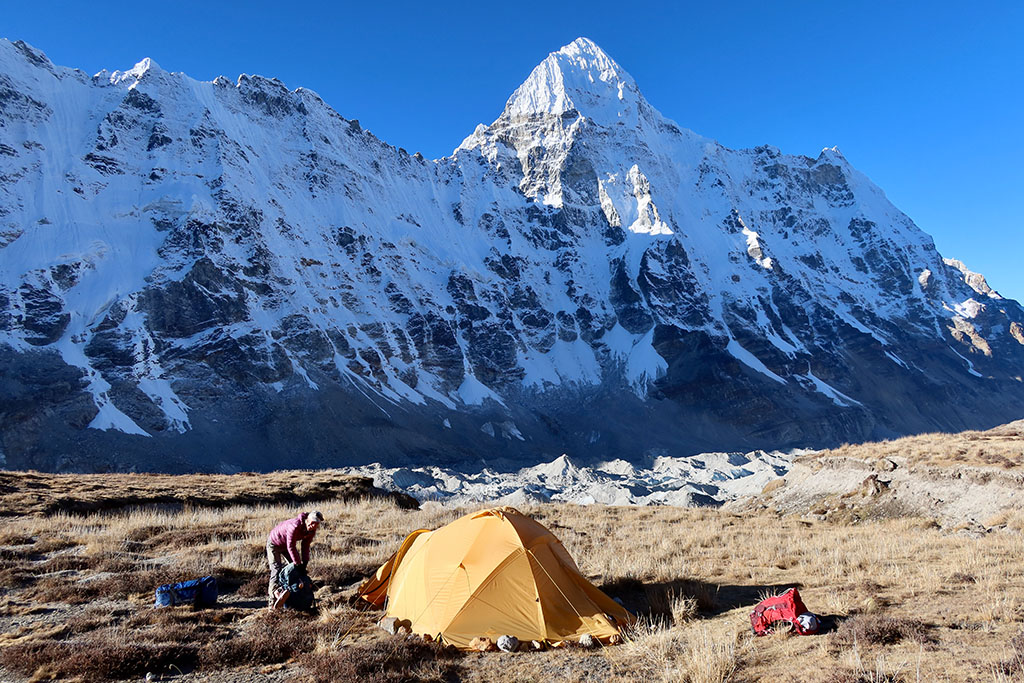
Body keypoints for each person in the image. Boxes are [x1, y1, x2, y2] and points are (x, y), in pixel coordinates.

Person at [266, 510, 323, 606]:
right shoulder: (295, 526)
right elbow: (291, 546)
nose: (314, 526)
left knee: (296, 571)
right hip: (274, 544)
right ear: (307, 520)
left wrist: (304, 563)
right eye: (312, 523)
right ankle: (273, 599)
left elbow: (305, 546)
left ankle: (294, 597)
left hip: (286, 545)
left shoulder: (311, 531)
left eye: (316, 524)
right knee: (276, 569)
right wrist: (297, 564)